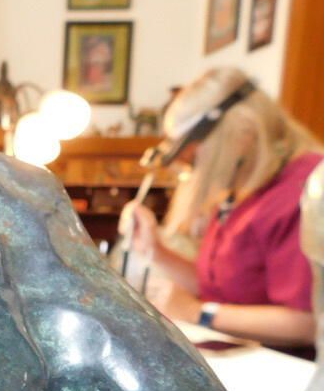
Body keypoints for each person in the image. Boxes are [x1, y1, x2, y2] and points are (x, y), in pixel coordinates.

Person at [124, 67, 324, 348]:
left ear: (242, 130)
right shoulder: (242, 189)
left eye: (194, 153)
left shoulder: (304, 190)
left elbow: (309, 322)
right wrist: (155, 250)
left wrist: (199, 312)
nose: (191, 166)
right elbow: (221, 289)